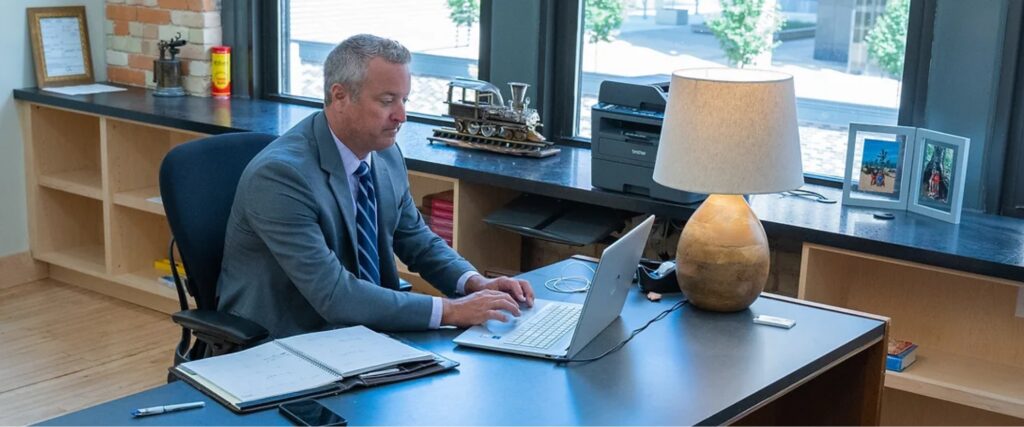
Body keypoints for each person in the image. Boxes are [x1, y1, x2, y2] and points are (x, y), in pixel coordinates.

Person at [217, 34, 534, 339]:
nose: (402, 116)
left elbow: (416, 238)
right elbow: (334, 295)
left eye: (404, 100)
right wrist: (452, 310)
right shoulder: (279, 176)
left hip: (364, 333)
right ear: (340, 96)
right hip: (289, 342)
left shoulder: (385, 154)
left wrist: (473, 283)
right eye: (387, 101)